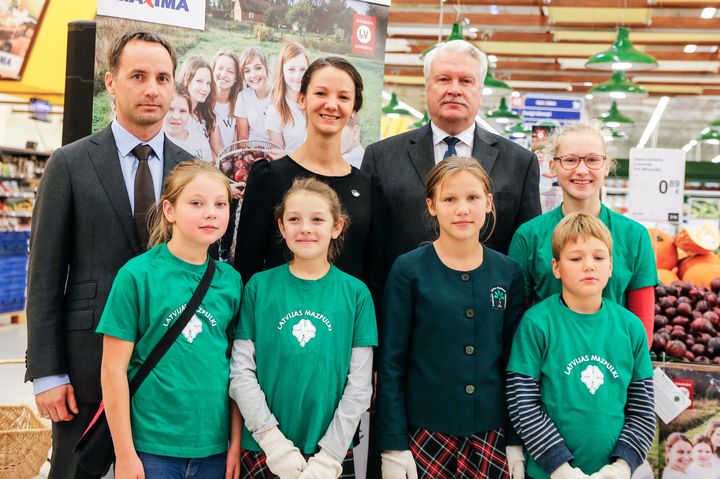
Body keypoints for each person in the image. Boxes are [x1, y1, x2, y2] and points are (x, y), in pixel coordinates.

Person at [24, 31, 194, 479]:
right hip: (85, 368)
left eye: (162, 78)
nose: (152, 89)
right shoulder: (69, 163)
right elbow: (44, 276)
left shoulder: (192, 170)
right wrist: (48, 373)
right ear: (111, 82)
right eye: (138, 76)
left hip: (169, 364)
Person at [376, 156, 526, 479]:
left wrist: (516, 440)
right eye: (449, 199)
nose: (462, 209)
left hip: (492, 433)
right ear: (431, 205)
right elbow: (391, 364)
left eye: (472, 198)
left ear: (488, 203)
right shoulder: (408, 270)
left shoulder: (508, 272)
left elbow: (515, 365)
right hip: (424, 433)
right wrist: (393, 445)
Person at [98, 160, 242, 478]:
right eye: (196, 203)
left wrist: (235, 443)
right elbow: (112, 371)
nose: (211, 213)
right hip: (151, 448)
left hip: (214, 448)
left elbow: (236, 368)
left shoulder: (231, 281)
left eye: (220, 204)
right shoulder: (137, 275)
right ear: (169, 210)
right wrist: (125, 453)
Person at [230, 177, 377, 479]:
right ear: (281, 227)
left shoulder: (356, 294)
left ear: (337, 226)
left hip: (329, 453)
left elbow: (360, 386)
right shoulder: (258, 287)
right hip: (264, 448)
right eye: (294, 219)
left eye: (317, 219)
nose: (305, 228)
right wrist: (272, 441)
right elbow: (241, 372)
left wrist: (330, 456)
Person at [361, 40, 540, 262]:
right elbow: (369, 244)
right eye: (444, 79)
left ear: (480, 91)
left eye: (466, 81)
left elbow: (527, 248)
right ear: (427, 87)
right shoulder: (381, 158)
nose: (454, 90)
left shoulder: (520, 163)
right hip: (402, 284)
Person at [506, 213, 655, 479]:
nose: (589, 266)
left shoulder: (631, 328)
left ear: (611, 266)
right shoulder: (536, 324)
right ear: (556, 267)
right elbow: (522, 403)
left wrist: (621, 467)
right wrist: (560, 468)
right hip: (548, 473)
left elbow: (642, 410)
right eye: (576, 258)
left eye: (599, 257)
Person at [234, 56, 384, 299]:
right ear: (302, 99)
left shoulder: (368, 188)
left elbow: (374, 278)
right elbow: (246, 268)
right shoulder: (269, 178)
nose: (332, 105)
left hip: (346, 320)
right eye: (321, 93)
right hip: (277, 317)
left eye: (343, 97)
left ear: (354, 108)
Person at [508, 122, 657, 344]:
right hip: (547, 361)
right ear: (553, 167)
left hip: (614, 361)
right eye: (570, 160)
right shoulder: (529, 236)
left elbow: (642, 330)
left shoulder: (635, 236)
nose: (581, 170)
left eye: (592, 160)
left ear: (606, 166)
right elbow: (518, 322)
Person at [266, 42, 309, 154]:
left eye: (303, 69)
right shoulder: (275, 112)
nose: (297, 76)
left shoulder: (317, 102)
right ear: (282, 72)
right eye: (291, 69)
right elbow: (278, 157)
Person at [180, 55, 222, 161]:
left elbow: (213, 149)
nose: (205, 88)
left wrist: (222, 165)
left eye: (208, 83)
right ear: (186, 81)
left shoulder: (207, 112)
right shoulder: (178, 115)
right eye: (199, 81)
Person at [164, 85, 214, 162]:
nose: (176, 117)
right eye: (170, 109)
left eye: (183, 111)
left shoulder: (200, 140)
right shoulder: (155, 143)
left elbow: (210, 167)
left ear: (189, 113)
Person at [235, 47, 272, 142]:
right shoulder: (243, 97)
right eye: (247, 71)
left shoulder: (279, 95)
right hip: (252, 148)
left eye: (258, 68)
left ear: (266, 68)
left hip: (275, 147)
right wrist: (250, 151)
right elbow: (242, 138)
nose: (253, 75)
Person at [211, 48, 242, 152]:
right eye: (220, 68)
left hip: (231, 158)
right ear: (213, 70)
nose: (224, 74)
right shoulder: (204, 103)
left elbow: (237, 143)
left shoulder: (239, 104)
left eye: (230, 71)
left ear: (236, 78)